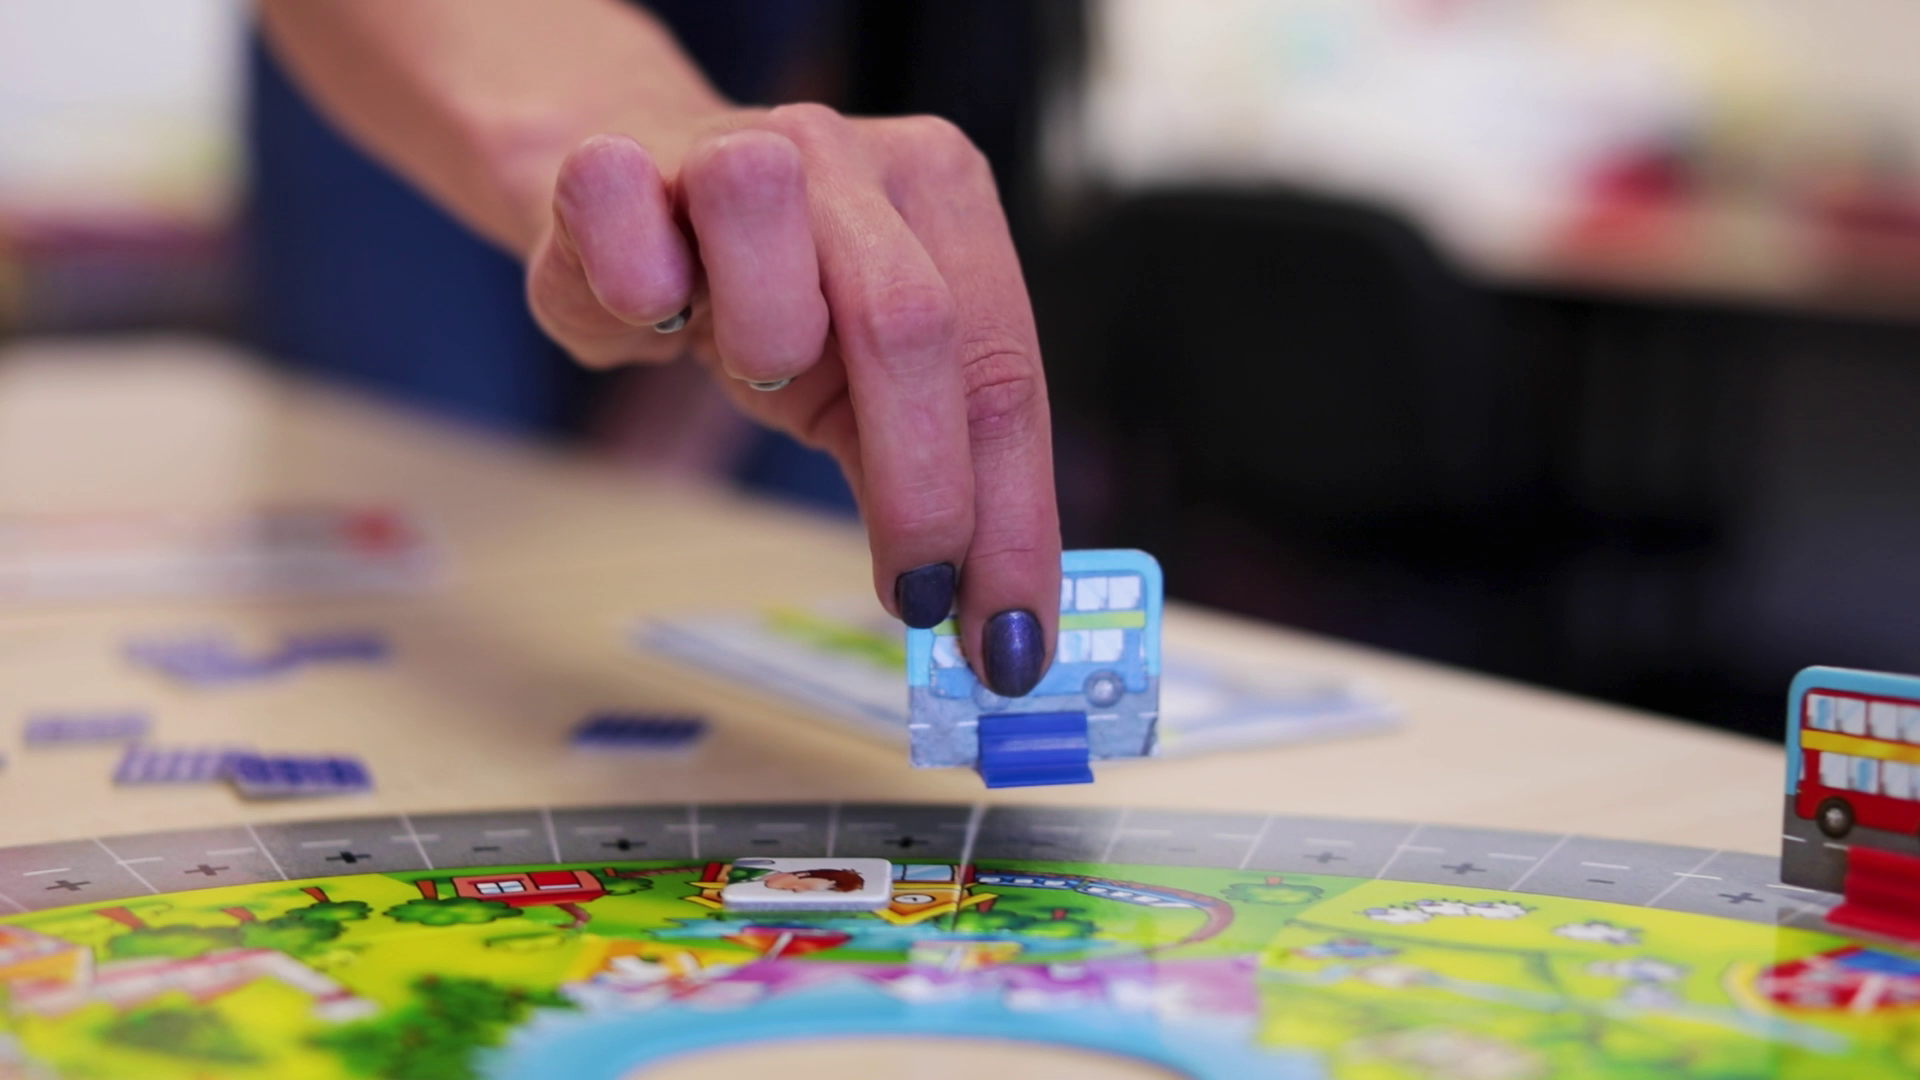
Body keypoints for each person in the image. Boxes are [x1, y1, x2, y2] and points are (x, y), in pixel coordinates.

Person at [256, 0, 1060, 699]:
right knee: (406, 582)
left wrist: (736, 274)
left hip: (866, 54)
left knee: (835, 543)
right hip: (404, 63)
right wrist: (638, 166)